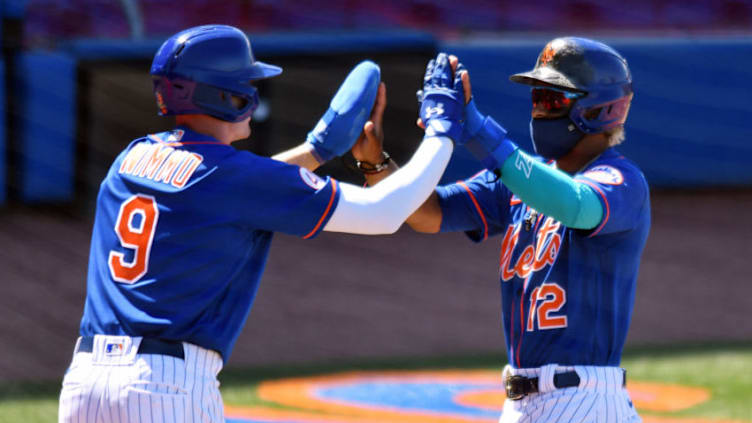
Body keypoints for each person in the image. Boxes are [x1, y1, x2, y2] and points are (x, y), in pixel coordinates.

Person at [58, 25, 467, 423]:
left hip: (83, 383)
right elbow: (383, 212)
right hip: (163, 386)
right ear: (224, 95)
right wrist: (441, 132)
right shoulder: (232, 178)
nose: (252, 91)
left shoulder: (130, 158)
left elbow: (229, 186)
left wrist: (316, 150)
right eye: (244, 83)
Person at [353, 37, 649, 422]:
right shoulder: (520, 179)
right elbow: (427, 213)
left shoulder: (621, 180)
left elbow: (575, 205)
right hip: (523, 402)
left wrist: (476, 128)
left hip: (583, 400)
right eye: (538, 97)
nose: (541, 108)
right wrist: (375, 163)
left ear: (599, 110)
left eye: (553, 99)